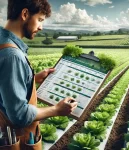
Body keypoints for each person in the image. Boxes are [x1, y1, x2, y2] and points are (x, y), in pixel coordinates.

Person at [0, 0, 77, 149]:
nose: (41, 27)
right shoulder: (13, 56)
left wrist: (32, 80)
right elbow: (19, 115)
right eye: (40, 20)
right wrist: (56, 110)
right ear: (25, 14)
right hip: (18, 138)